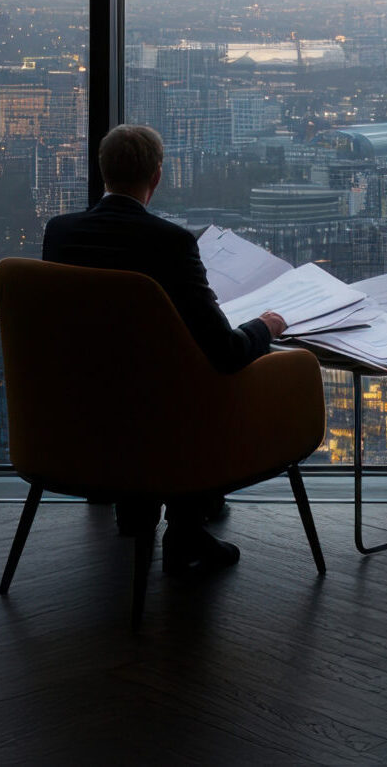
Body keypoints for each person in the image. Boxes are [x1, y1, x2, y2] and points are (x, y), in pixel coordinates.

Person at [42, 122, 286, 574]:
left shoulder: (60, 234)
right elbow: (227, 351)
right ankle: (185, 528)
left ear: (102, 173)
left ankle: (137, 506)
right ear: (156, 176)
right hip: (163, 419)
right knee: (200, 381)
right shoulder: (171, 244)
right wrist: (266, 326)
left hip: (75, 413)